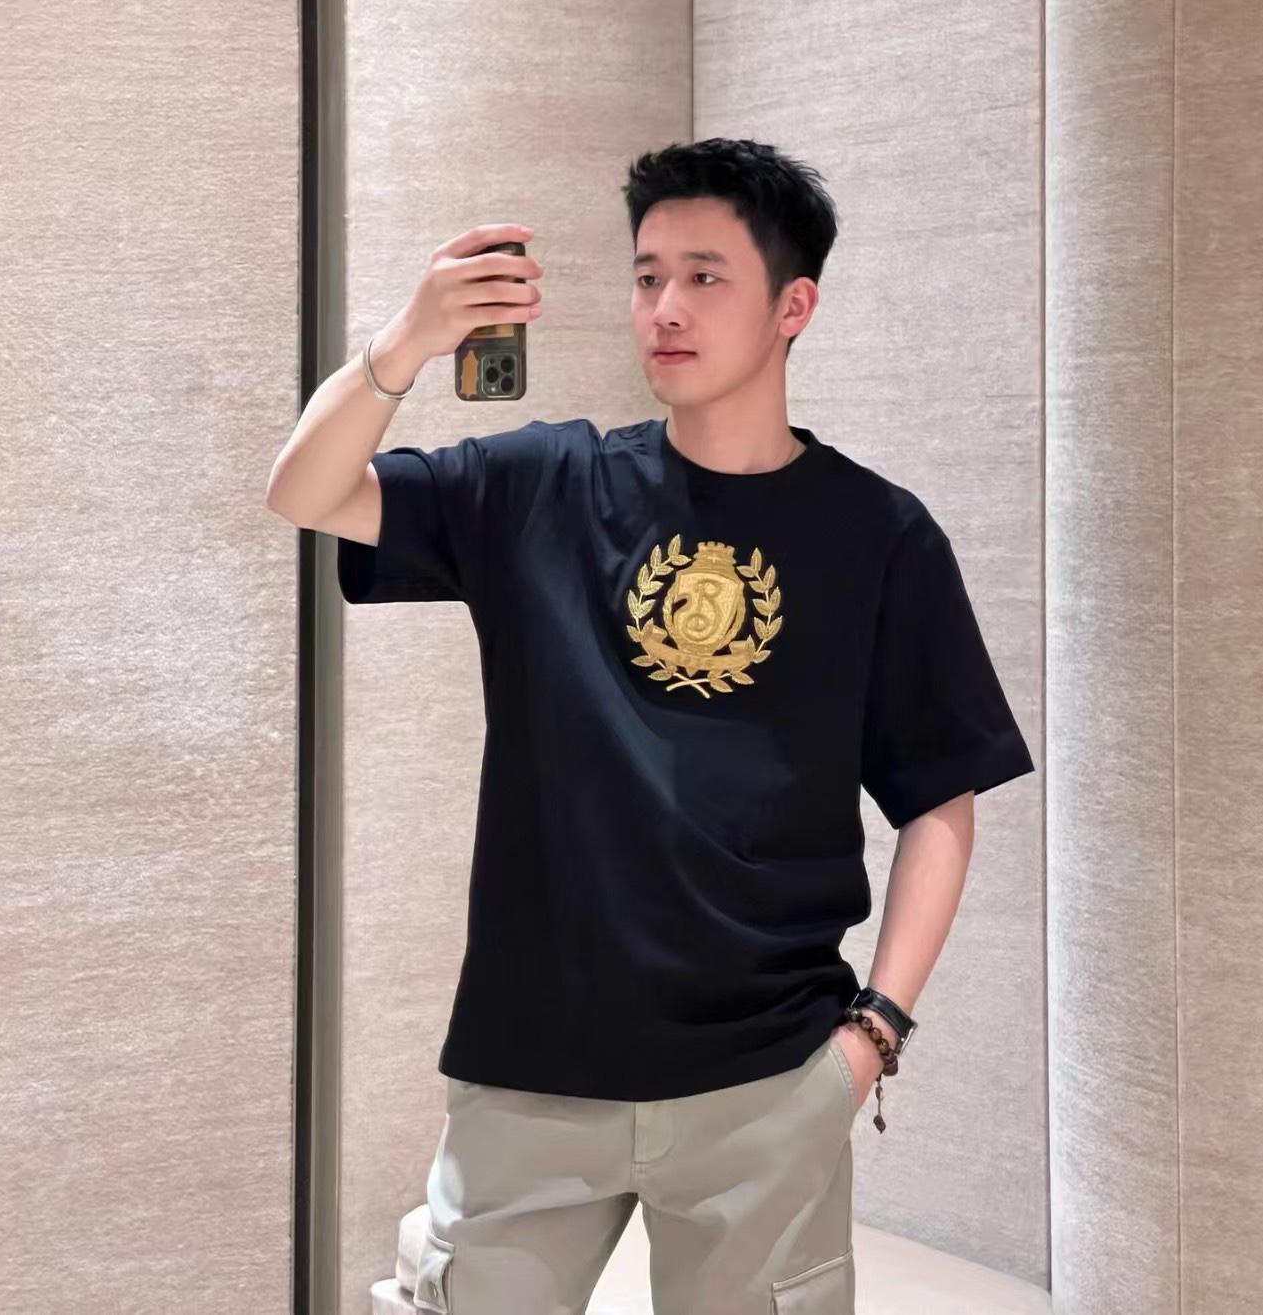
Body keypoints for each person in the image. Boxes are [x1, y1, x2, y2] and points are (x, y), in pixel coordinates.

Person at [266, 137, 1035, 1314]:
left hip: (768, 1079)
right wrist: (405, 342)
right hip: (531, 1071)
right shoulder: (542, 483)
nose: (664, 307)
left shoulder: (879, 535)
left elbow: (940, 797)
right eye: (645, 275)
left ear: (793, 306)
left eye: (704, 276)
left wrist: (870, 1037)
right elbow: (306, 491)